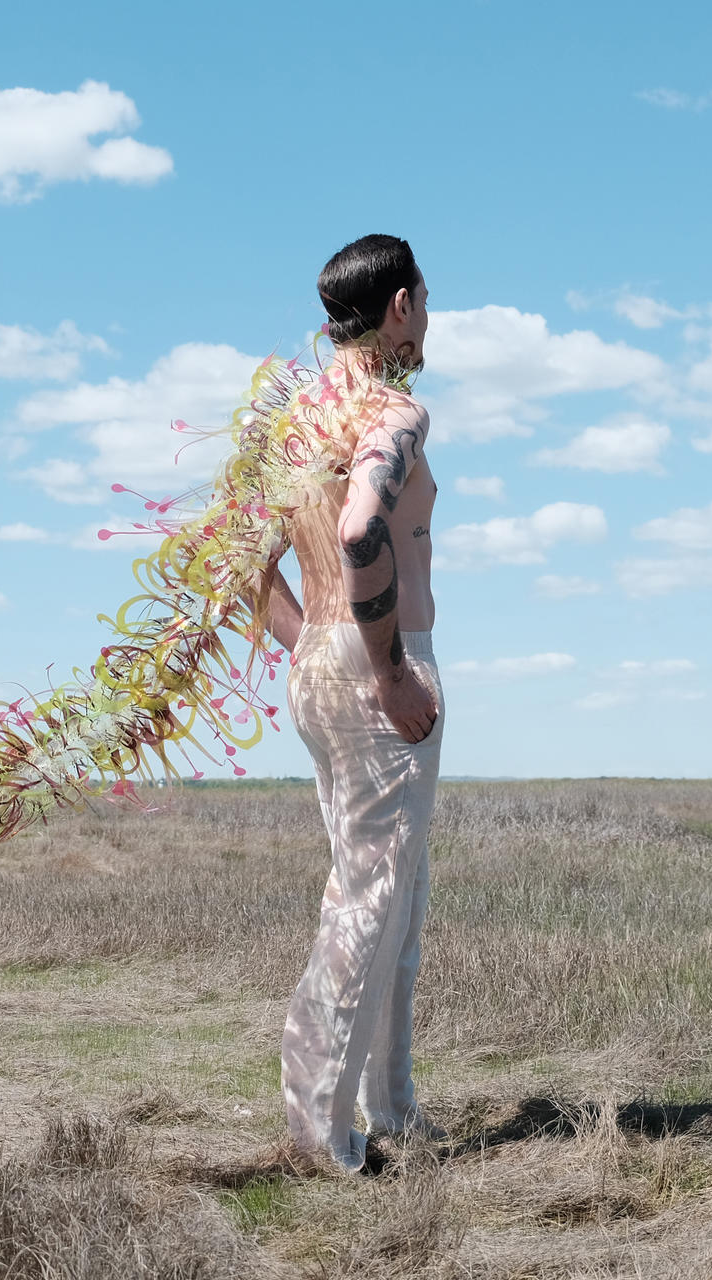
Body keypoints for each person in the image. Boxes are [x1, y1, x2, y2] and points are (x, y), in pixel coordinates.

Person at [256, 234, 445, 1173]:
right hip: (379, 661)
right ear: (402, 305)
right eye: (427, 302)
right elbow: (363, 524)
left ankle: (392, 1106)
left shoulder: (292, 426)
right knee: (370, 896)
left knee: (393, 889)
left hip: (321, 662)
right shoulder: (391, 412)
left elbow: (246, 575)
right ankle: (321, 1135)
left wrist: (317, 651)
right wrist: (387, 669)